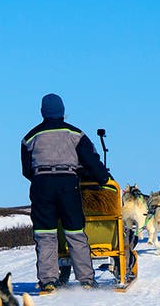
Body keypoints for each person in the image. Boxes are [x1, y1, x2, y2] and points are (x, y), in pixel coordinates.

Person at [21, 93, 110, 292]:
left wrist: (41, 179)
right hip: (68, 184)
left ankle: (48, 281)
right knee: (75, 232)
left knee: (45, 234)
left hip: (42, 185)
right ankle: (86, 280)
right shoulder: (75, 134)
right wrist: (103, 178)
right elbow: (91, 160)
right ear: (62, 111)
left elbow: (26, 170)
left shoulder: (30, 137)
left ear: (42, 112)